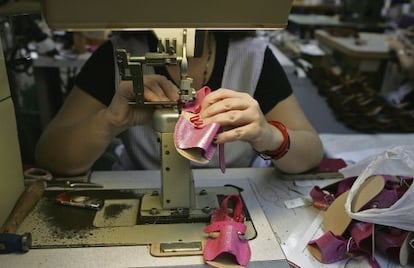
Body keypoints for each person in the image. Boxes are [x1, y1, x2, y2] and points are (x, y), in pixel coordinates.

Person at [35, 30, 323, 176]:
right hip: (142, 186)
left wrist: (269, 136)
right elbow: (51, 156)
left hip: (234, 196)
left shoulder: (253, 58)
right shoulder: (119, 55)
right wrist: (109, 121)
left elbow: (311, 153)